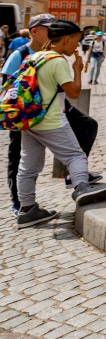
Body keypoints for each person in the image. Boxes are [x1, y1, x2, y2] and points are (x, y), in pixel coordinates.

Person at [15, 20, 106, 228]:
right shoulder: (58, 61)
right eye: (76, 42)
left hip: (29, 119)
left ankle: (27, 209)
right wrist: (78, 69)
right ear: (67, 39)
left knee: (28, 165)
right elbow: (74, 92)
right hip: (51, 120)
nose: (77, 47)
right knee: (75, 155)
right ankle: (81, 187)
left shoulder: (33, 57)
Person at [3, 14, 55, 215]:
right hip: (22, 115)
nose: (53, 33)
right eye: (49, 29)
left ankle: (76, 175)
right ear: (35, 30)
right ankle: (18, 202)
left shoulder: (50, 53)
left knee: (86, 126)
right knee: (17, 156)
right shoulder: (20, 53)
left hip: (45, 113)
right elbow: (7, 86)